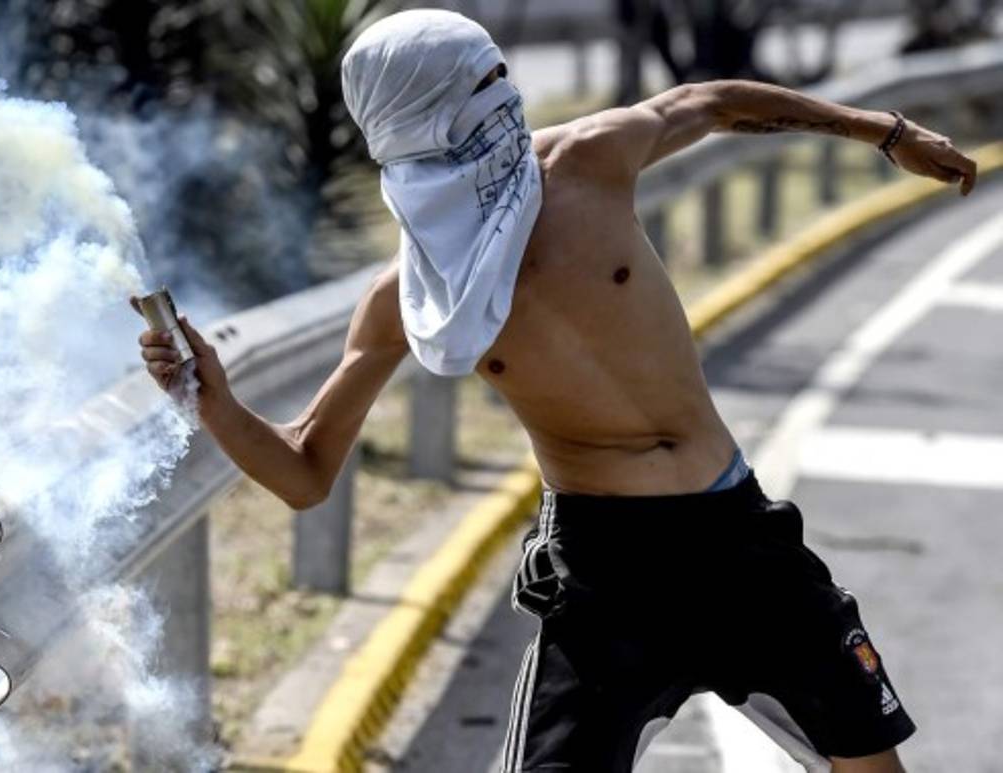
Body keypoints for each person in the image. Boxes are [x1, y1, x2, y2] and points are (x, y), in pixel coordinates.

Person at [137, 9, 976, 773]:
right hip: (603, 576)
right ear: (420, 119)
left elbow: (712, 100)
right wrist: (213, 399)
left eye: (505, 73)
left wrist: (883, 130)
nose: (511, 96)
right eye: (484, 83)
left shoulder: (586, 160)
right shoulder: (410, 298)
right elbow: (305, 470)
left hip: (738, 539)